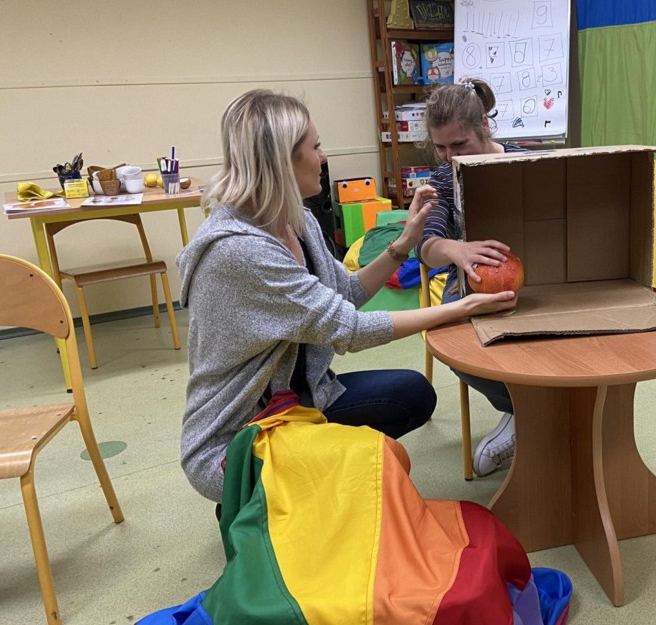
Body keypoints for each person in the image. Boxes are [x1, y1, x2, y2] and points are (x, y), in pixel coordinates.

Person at [177, 89, 517, 502]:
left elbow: (347, 293)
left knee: (412, 395)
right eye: (315, 147)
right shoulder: (240, 251)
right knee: (380, 469)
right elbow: (350, 329)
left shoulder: (297, 220)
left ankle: (307, 483)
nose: (323, 158)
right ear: (282, 160)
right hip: (242, 434)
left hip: (300, 402)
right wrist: (462, 307)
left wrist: (404, 243)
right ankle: (254, 497)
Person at [415, 78, 529, 477]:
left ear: (483, 125)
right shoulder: (442, 179)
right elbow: (426, 246)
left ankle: (545, 412)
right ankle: (526, 412)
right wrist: (455, 249)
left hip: (541, 278)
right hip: (469, 283)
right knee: (451, 342)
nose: (449, 156)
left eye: (459, 144)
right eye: (440, 147)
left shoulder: (527, 162)